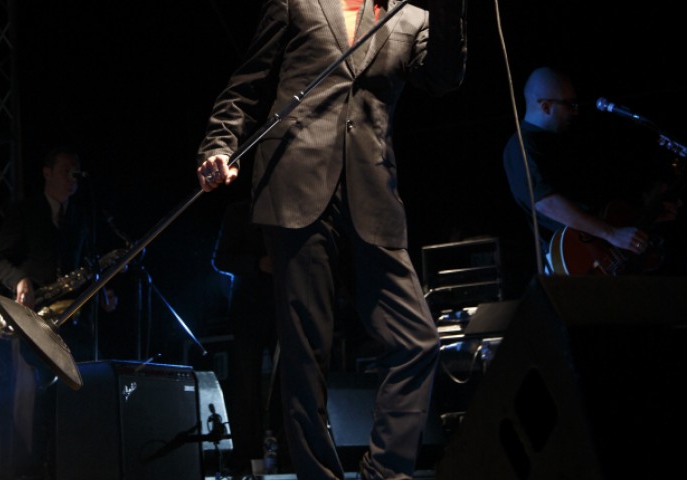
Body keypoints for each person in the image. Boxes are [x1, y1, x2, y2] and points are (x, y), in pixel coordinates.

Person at [195, 1, 468, 478]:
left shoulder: (415, 16)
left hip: (372, 190)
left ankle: (385, 472)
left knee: (417, 340)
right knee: (305, 355)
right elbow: (247, 84)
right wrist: (220, 144)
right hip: (295, 181)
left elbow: (443, 77)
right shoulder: (296, 1)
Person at [0, 146, 119, 479]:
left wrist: (101, 290)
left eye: (76, 171)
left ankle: (70, 460)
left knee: (78, 390)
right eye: (66, 169)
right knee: (39, 392)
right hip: (33, 314)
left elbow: (85, 268)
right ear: (47, 173)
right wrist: (21, 280)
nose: (73, 177)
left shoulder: (80, 216)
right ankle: (37, 465)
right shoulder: (23, 211)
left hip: (70, 320)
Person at [502, 66, 663, 277]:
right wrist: (612, 234)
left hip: (602, 253)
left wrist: (647, 214)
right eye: (569, 104)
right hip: (576, 261)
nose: (575, 111)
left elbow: (599, 205)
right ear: (546, 106)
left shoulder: (567, 142)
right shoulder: (523, 146)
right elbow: (546, 203)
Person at [211, 198, 283, 475]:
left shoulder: (288, 203)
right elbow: (220, 258)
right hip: (248, 310)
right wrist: (257, 264)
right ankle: (248, 458)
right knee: (246, 388)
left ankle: (284, 452)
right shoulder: (240, 208)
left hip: (281, 307)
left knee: (284, 384)